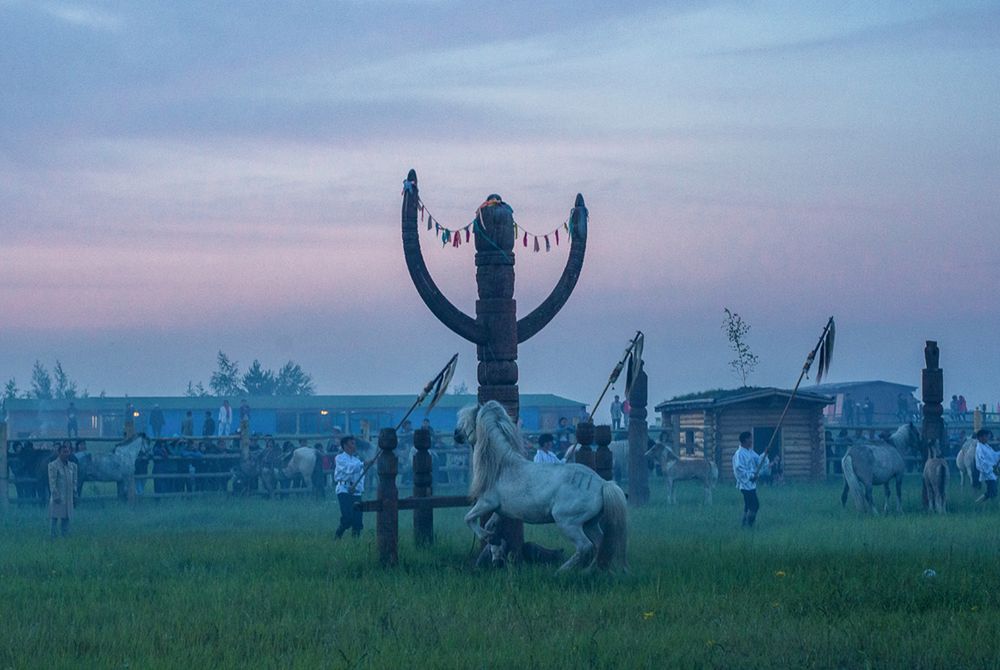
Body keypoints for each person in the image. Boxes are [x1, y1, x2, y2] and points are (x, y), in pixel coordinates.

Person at [732, 431, 767, 528]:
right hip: (745, 484)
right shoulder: (739, 454)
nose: (751, 441)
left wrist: (765, 453)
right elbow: (739, 470)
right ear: (744, 440)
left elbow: (758, 461)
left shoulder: (750, 452)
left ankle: (744, 524)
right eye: (749, 439)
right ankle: (749, 524)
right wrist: (751, 476)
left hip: (751, 484)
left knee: (748, 505)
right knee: (755, 505)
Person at [334, 435, 366, 539]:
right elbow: (349, 469)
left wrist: (358, 489)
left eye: (354, 443)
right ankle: (338, 534)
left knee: (357, 518)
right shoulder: (339, 458)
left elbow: (361, 477)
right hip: (343, 489)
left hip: (355, 491)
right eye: (352, 443)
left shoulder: (357, 460)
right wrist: (363, 464)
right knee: (347, 517)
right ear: (345, 446)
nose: (354, 445)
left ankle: (355, 544)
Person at [48, 442, 78, 538]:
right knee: (54, 517)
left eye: (67, 452)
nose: (66, 454)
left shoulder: (72, 466)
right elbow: (52, 481)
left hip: (68, 496)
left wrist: (74, 492)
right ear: (59, 453)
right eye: (64, 452)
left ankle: (65, 536)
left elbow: (74, 481)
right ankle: (53, 536)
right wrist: (55, 494)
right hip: (59, 496)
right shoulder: (53, 465)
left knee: (66, 517)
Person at [974, 429, 1000, 503]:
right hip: (988, 473)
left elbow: (993, 455)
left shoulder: (986, 446)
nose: (987, 438)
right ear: (980, 437)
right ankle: (977, 503)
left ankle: (987, 506)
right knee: (991, 491)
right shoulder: (979, 448)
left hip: (992, 472)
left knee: (993, 491)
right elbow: (982, 462)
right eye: (986, 436)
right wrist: (992, 467)